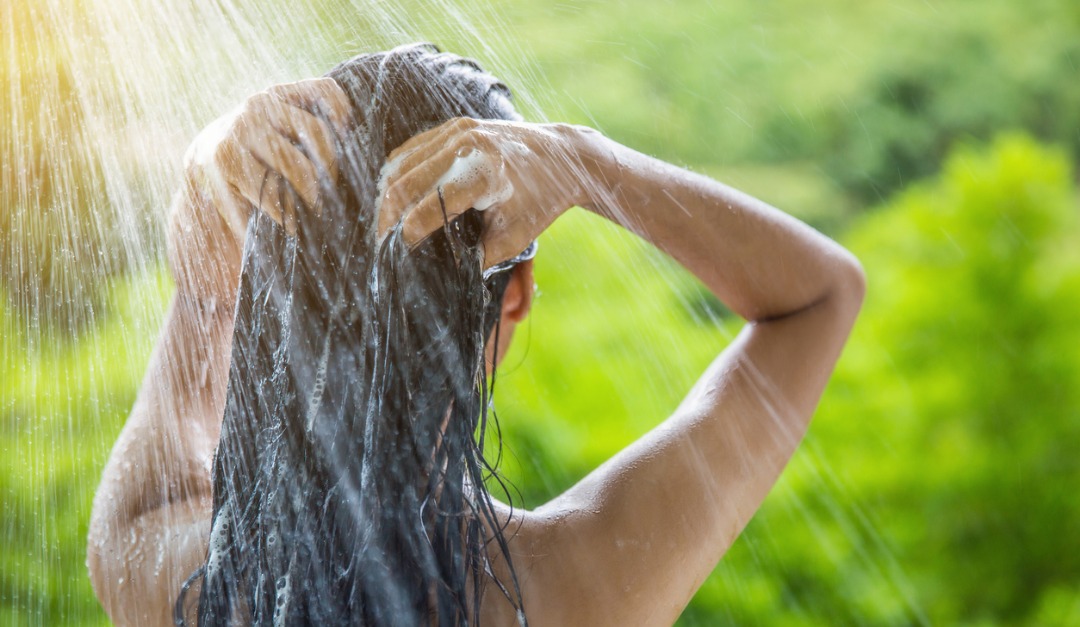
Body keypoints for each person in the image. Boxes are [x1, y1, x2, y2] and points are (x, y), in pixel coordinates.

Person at [87, 43, 864, 626]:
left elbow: (203, 299)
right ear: (516, 297)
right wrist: (584, 162)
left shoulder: (166, 570)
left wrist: (209, 165)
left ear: (280, 297)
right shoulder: (572, 585)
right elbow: (821, 294)